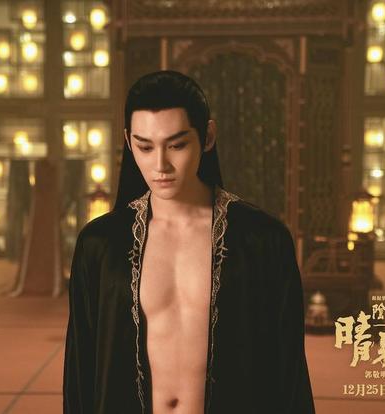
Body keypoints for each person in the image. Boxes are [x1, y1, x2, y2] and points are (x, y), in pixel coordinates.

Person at [63, 70, 315, 414]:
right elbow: (81, 371)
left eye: (177, 145)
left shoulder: (263, 241)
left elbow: (288, 373)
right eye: (145, 146)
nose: (160, 165)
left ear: (207, 136)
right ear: (128, 141)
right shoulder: (100, 244)